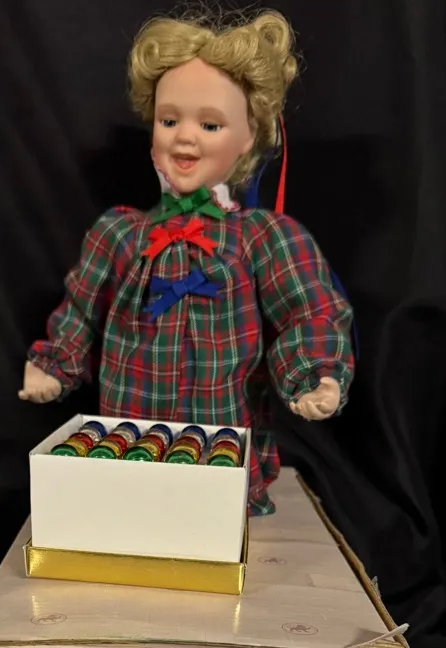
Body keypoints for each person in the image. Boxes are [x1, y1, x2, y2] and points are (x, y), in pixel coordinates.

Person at [19, 10, 354, 514]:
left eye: (210, 124)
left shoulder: (263, 237)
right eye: (169, 120)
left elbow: (308, 311)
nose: (184, 137)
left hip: (221, 454)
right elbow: (82, 309)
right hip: (127, 449)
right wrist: (54, 363)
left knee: (208, 521)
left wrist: (315, 374)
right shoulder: (120, 233)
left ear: (249, 136)